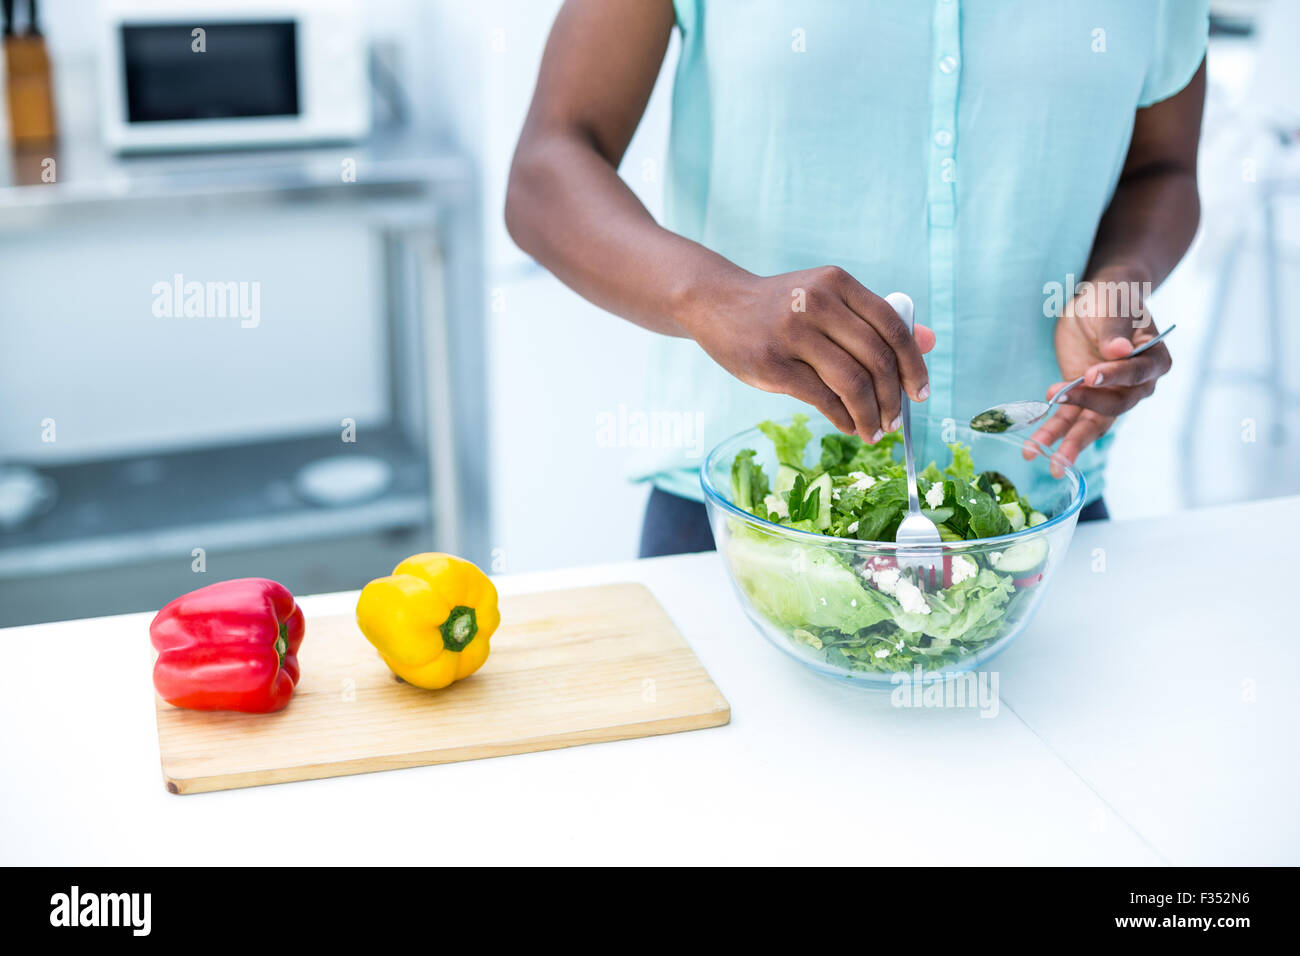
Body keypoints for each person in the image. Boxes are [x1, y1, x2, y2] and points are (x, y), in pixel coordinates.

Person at [506, 0, 1206, 557]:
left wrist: (1118, 282)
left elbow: (1163, 169)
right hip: (741, 537)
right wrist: (716, 299)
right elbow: (549, 165)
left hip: (1039, 525)